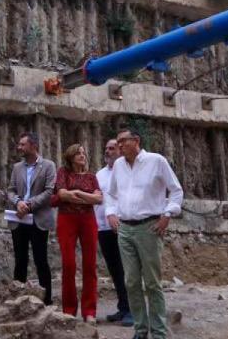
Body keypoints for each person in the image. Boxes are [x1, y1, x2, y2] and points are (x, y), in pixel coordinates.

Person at [105, 130, 184, 339]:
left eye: (123, 141)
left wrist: (168, 213)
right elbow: (111, 194)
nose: (119, 146)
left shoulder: (156, 161)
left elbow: (176, 190)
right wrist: (110, 213)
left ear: (136, 141)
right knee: (131, 281)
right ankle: (140, 330)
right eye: (118, 142)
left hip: (149, 227)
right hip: (125, 229)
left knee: (152, 282)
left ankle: (158, 332)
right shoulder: (119, 166)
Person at [52, 144, 102, 323]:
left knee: (90, 264)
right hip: (67, 219)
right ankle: (69, 310)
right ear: (70, 156)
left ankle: (89, 311)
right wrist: (87, 198)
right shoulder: (63, 172)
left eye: (83, 153)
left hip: (88, 220)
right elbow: (63, 194)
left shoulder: (91, 176)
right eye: (78, 153)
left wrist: (78, 193)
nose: (82, 155)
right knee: (69, 264)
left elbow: (99, 199)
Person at [5, 132, 56, 305]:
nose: (19, 147)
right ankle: (18, 298)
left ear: (33, 146)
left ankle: (47, 300)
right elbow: (10, 190)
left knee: (40, 259)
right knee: (20, 259)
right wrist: (18, 202)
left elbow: (50, 191)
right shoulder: (17, 167)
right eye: (19, 144)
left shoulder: (48, 166)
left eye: (22, 144)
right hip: (19, 219)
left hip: (38, 218)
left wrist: (29, 205)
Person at [94, 139, 133, 326]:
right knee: (115, 270)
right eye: (106, 148)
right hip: (103, 227)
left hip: (123, 226)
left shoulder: (127, 171)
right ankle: (123, 307)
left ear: (120, 150)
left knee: (128, 269)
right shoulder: (99, 174)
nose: (108, 151)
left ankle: (133, 310)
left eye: (112, 148)